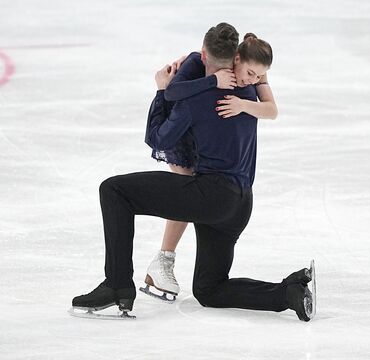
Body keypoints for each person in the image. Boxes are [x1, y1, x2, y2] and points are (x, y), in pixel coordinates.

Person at [71, 23, 315, 321]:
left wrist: (161, 91)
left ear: (203, 55)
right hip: (239, 204)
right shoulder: (251, 91)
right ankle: (287, 293)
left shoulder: (196, 99)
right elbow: (270, 106)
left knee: (114, 190)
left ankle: (117, 284)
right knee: (209, 289)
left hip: (210, 196)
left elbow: (158, 138)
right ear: (237, 58)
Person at [144, 26, 278, 300]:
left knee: (191, 192)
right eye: (249, 74)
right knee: (184, 187)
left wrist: (246, 100)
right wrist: (212, 82)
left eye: (256, 75)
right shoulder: (197, 61)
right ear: (236, 59)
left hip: (206, 132)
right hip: (182, 123)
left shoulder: (248, 71)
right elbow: (172, 94)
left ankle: (162, 263)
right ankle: (163, 261)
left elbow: (271, 109)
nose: (250, 79)